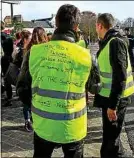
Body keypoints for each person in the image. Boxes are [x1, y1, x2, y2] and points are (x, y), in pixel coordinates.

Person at [29, 4, 92, 158]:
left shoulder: (35, 52)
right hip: (73, 127)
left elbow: (22, 89)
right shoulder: (86, 56)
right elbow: (95, 87)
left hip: (43, 125)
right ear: (76, 26)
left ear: (56, 22)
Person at [93, 13, 134, 158]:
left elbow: (120, 77)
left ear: (100, 25)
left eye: (96, 27)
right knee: (111, 139)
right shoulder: (110, 41)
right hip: (111, 97)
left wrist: (113, 105)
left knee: (110, 142)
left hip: (115, 99)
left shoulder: (114, 42)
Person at [16, 27, 48, 132]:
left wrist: (19, 85)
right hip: (41, 81)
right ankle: (37, 121)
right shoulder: (47, 49)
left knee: (27, 103)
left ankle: (28, 121)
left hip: (29, 81)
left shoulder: (29, 49)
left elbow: (23, 68)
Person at [1, 21, 14, 106]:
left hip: (4, 58)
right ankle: (9, 97)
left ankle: (8, 98)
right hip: (9, 58)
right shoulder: (9, 37)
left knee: (6, 79)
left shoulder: (1, 37)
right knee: (7, 79)